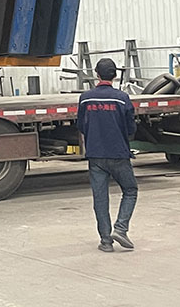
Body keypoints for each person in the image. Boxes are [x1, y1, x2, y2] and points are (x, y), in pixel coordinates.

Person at [77, 58, 138, 253]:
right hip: (118, 153)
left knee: (100, 198)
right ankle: (120, 228)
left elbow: (81, 125)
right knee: (130, 190)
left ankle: (105, 241)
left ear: (97, 74)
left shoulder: (85, 98)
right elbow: (131, 128)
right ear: (115, 75)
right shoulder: (122, 98)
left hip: (95, 155)